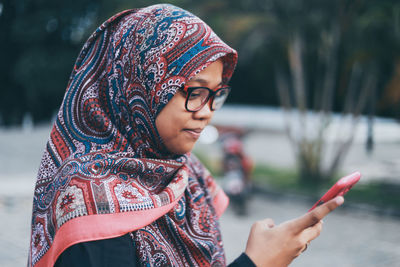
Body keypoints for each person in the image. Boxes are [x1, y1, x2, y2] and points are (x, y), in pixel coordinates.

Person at [28, 4, 344, 267]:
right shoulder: (87, 203)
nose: (207, 110)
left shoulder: (188, 176)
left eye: (216, 94)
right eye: (195, 92)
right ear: (139, 85)